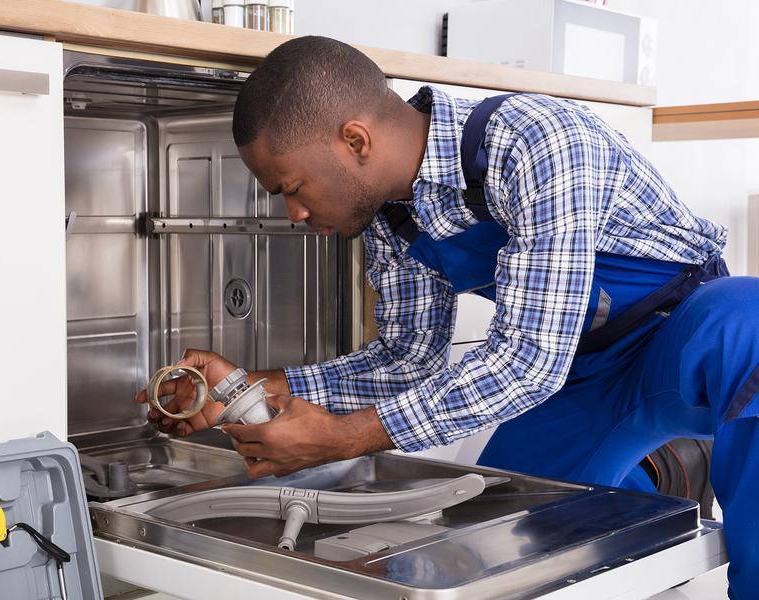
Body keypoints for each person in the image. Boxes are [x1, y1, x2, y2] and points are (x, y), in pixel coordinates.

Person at [135, 36, 759, 598]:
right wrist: (253, 387)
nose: (295, 214)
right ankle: (659, 473)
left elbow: (525, 360)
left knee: (746, 323)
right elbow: (408, 364)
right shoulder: (388, 220)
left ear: (355, 141)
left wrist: (347, 435)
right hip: (579, 376)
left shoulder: (539, 142)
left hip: (679, 338)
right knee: (505, 539)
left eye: (295, 187)